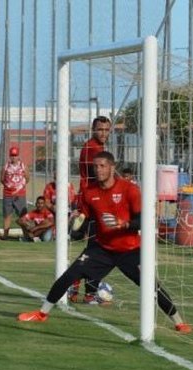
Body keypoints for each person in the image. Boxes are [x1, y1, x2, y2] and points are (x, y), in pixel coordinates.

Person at [17, 151, 193, 334]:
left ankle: (179, 322)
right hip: (101, 248)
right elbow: (85, 217)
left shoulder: (129, 189)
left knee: (151, 286)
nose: (98, 169)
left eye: (102, 166)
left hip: (130, 250)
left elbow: (143, 220)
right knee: (69, 275)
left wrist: (122, 224)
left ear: (112, 167)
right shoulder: (89, 191)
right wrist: (77, 219)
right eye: (96, 166)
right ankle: (42, 313)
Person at [70, 116, 112, 302]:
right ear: (93, 130)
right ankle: (82, 288)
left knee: (96, 247)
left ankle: (83, 289)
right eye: (100, 129)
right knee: (97, 248)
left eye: (106, 130)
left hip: (92, 202)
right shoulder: (92, 149)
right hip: (92, 203)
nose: (103, 133)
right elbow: (100, 178)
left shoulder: (96, 147)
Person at [0, 146, 29, 240]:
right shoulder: (6, 166)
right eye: (12, 155)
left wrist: (19, 186)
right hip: (8, 194)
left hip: (20, 194)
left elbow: (27, 178)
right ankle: (5, 235)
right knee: (7, 215)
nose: (13, 157)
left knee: (22, 215)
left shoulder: (23, 165)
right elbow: (2, 178)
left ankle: (26, 235)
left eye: (15, 155)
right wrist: (9, 186)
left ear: (18, 156)